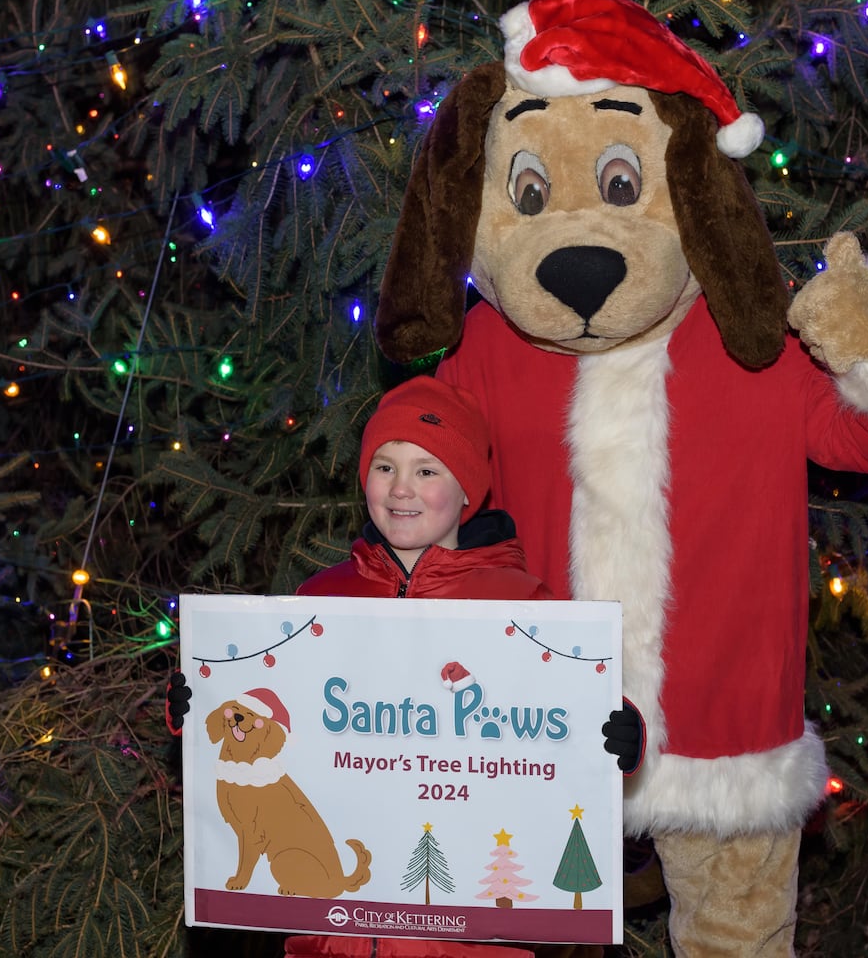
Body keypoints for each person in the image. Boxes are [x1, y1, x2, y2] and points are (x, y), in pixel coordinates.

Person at [167, 376, 636, 958]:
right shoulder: (319, 603)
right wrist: (199, 707)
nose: (401, 489)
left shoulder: (527, 610)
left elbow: (573, 729)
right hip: (334, 940)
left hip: (472, 945)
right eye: (385, 466)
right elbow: (270, 733)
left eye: (427, 470)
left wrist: (618, 731)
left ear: (468, 490)